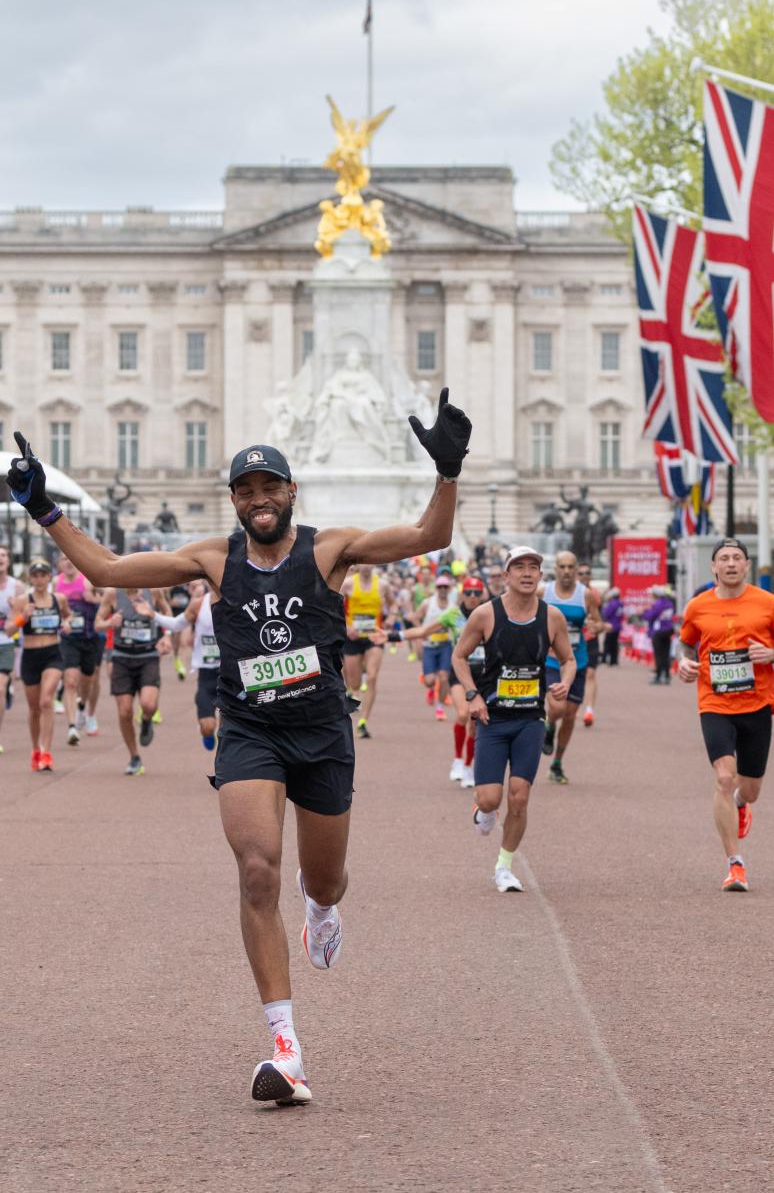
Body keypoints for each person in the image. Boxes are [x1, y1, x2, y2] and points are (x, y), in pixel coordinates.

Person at [6, 388, 471, 1105]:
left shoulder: (331, 549)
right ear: (234, 501)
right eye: (246, 490)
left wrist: (447, 472)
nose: (259, 499)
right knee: (257, 869)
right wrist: (44, 510)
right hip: (250, 730)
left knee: (324, 880)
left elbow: (426, 538)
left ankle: (320, 908)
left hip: (320, 733)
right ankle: (286, 1050)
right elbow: (106, 570)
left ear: (291, 491)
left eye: (269, 487)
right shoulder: (212, 561)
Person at [451, 546, 575, 892]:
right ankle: (485, 811)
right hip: (493, 719)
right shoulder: (486, 615)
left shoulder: (552, 618)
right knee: (490, 798)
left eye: (533, 567)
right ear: (506, 576)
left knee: (519, 796)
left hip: (530, 720)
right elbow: (459, 657)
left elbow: (568, 659)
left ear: (540, 576)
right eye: (518, 567)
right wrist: (472, 695)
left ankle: (504, 867)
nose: (526, 573)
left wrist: (564, 681)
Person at [678, 538, 774, 893]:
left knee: (749, 790)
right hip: (714, 703)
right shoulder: (698, 606)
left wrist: (771, 654)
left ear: (747, 566)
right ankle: (735, 864)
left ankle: (740, 804)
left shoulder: (768, 604)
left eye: (737, 558)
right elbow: (685, 641)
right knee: (723, 777)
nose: (731, 564)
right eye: (724, 559)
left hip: (759, 703)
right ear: (714, 568)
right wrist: (683, 661)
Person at [396, 574, 490, 787]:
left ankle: (468, 767)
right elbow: (423, 630)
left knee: (476, 726)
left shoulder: (489, 613)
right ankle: (457, 759)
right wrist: (395, 637)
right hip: (460, 672)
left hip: (484, 675)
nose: (473, 597)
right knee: (463, 713)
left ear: (482, 594)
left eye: (477, 593)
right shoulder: (453, 614)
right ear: (462, 594)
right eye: (468, 592)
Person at [94, 586, 171, 775]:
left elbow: (167, 612)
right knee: (125, 711)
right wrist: (110, 622)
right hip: (122, 656)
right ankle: (134, 756)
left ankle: (146, 721)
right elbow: (97, 623)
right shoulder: (112, 594)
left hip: (148, 655)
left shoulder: (153, 592)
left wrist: (166, 636)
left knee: (149, 704)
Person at [540, 551, 602, 784]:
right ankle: (547, 726)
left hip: (578, 661)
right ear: (555, 568)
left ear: (576, 570)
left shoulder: (586, 595)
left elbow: (598, 621)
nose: (566, 571)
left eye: (570, 567)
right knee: (556, 708)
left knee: (569, 715)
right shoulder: (543, 592)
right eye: (562, 566)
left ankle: (557, 764)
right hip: (552, 659)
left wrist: (595, 626)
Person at [12, 558, 73, 771]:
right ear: (30, 578)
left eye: (43, 575)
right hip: (30, 655)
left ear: (49, 577)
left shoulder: (59, 599)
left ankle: (46, 752)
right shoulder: (23, 600)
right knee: (34, 708)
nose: (39, 580)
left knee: (46, 700)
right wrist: (23, 618)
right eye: (35, 576)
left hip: (52, 653)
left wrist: (67, 624)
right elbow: (10, 629)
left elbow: (69, 616)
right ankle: (35, 749)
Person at [153, 582, 220, 750]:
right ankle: (207, 733)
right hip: (207, 674)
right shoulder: (199, 604)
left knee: (230, 730)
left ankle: (226, 763)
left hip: (232, 675)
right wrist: (152, 615)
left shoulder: (239, 601)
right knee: (207, 726)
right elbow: (176, 624)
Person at [53, 553, 102, 746]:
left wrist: (94, 599)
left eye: (71, 558)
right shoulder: (56, 583)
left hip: (90, 638)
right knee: (71, 681)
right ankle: (72, 726)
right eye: (64, 559)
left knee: (88, 679)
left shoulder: (87, 581)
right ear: (60, 564)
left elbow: (109, 600)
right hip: (68, 638)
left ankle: (85, 709)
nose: (69, 562)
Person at [341, 564, 393, 738]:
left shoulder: (382, 585)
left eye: (369, 562)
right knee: (354, 684)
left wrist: (391, 618)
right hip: (353, 638)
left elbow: (393, 605)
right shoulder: (348, 584)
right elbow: (333, 605)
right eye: (363, 562)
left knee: (371, 677)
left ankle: (363, 722)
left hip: (374, 637)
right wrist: (347, 627)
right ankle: (353, 695)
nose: (366, 565)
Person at [415, 571, 457, 721]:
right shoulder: (428, 603)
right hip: (429, 645)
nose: (443, 589)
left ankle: (439, 708)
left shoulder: (453, 607)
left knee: (444, 677)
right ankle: (431, 688)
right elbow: (416, 617)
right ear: (436, 588)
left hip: (446, 644)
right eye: (440, 587)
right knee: (429, 681)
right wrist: (421, 633)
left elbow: (458, 626)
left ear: (450, 588)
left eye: (446, 587)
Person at [0, 546, 24, 754]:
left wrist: (15, 609)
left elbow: (24, 617)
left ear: (8, 560)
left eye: (3, 555)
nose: (0, 559)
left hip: (7, 641)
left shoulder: (17, 587)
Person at [577, 561, 600, 727]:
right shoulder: (570, 594)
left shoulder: (595, 594)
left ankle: (589, 710)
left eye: (587, 572)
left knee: (590, 674)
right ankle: (570, 707)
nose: (585, 575)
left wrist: (598, 626)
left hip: (590, 638)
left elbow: (600, 619)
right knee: (571, 675)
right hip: (573, 640)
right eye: (582, 573)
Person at [643, 586, 676, 684]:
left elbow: (650, 616)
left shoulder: (658, 604)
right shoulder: (669, 603)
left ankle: (658, 676)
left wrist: (644, 611)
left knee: (658, 654)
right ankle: (666, 675)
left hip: (658, 631)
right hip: (668, 630)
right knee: (666, 653)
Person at [601, 588, 624, 665]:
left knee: (608, 643)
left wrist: (605, 606)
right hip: (617, 626)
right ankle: (614, 660)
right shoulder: (620, 603)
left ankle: (606, 659)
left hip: (611, 626)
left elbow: (606, 613)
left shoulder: (612, 603)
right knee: (614, 644)